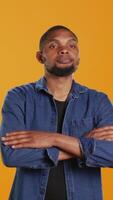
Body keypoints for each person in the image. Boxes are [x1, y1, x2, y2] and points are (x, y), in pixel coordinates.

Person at [1, 25, 113, 200]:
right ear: (40, 57)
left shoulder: (98, 101)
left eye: (71, 45)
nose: (64, 50)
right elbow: (11, 155)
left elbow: (111, 154)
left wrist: (53, 138)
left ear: (78, 58)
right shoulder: (18, 97)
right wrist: (82, 145)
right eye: (54, 46)